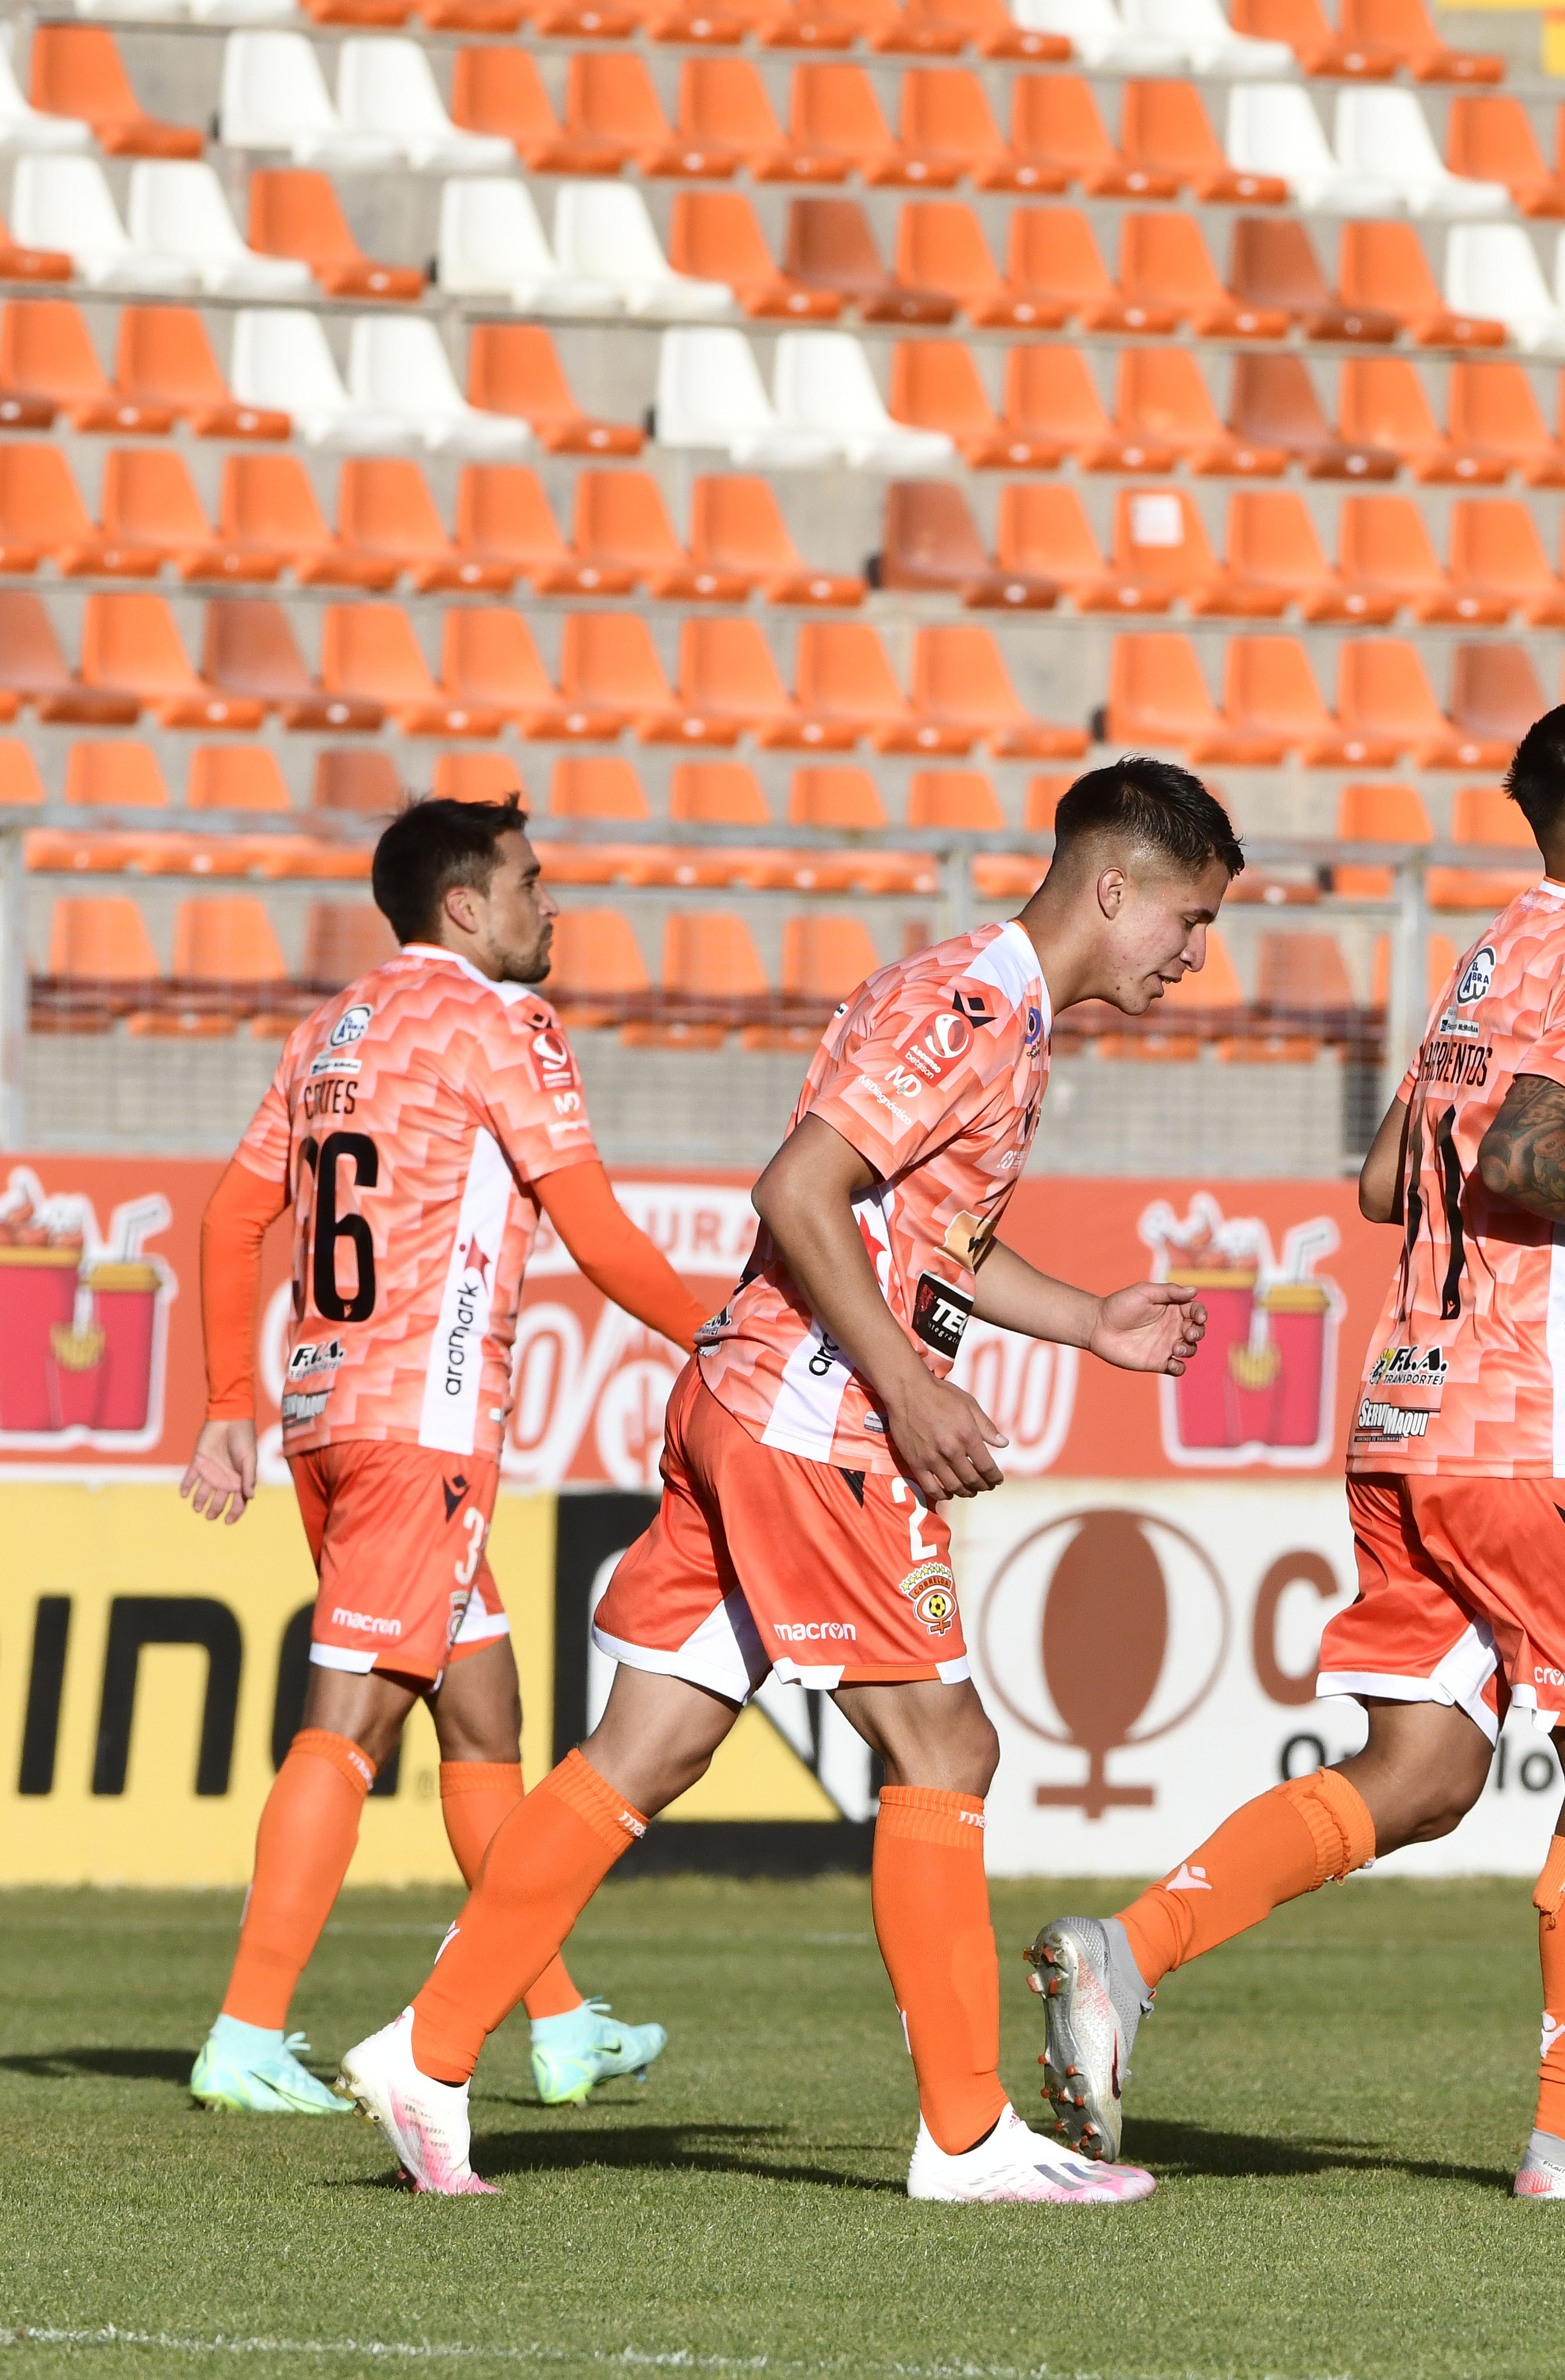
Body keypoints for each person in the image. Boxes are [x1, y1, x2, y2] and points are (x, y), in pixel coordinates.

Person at [331, 758, 1237, 2203]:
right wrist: (909, 1386)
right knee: (945, 1749)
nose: (1194, 957)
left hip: (743, 1399)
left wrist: (1088, 1321)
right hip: (813, 1420)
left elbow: (923, 1233)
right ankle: (966, 2136)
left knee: (645, 1750)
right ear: (1114, 887)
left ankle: (427, 2054)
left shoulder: (989, 1005)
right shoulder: (973, 1008)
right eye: (1188, 920)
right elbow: (798, 1189)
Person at [1022, 692, 1565, 2201]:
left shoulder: (1495, 955)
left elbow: (1387, 1179)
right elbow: (1524, 1153)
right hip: (1534, 1428)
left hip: (1403, 1416)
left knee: (1423, 1767)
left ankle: (1128, 1949)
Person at [181, 798, 711, 2118]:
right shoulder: (501, 1022)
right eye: (531, 882)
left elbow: (233, 1214)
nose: (550, 905)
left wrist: (228, 1401)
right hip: (420, 1425)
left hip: (326, 1412)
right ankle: (245, 2032)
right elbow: (594, 1228)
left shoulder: (330, 1029)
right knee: (349, 1725)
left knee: (483, 1721)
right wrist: (730, 1334)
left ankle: (559, 2022)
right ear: (465, 906)